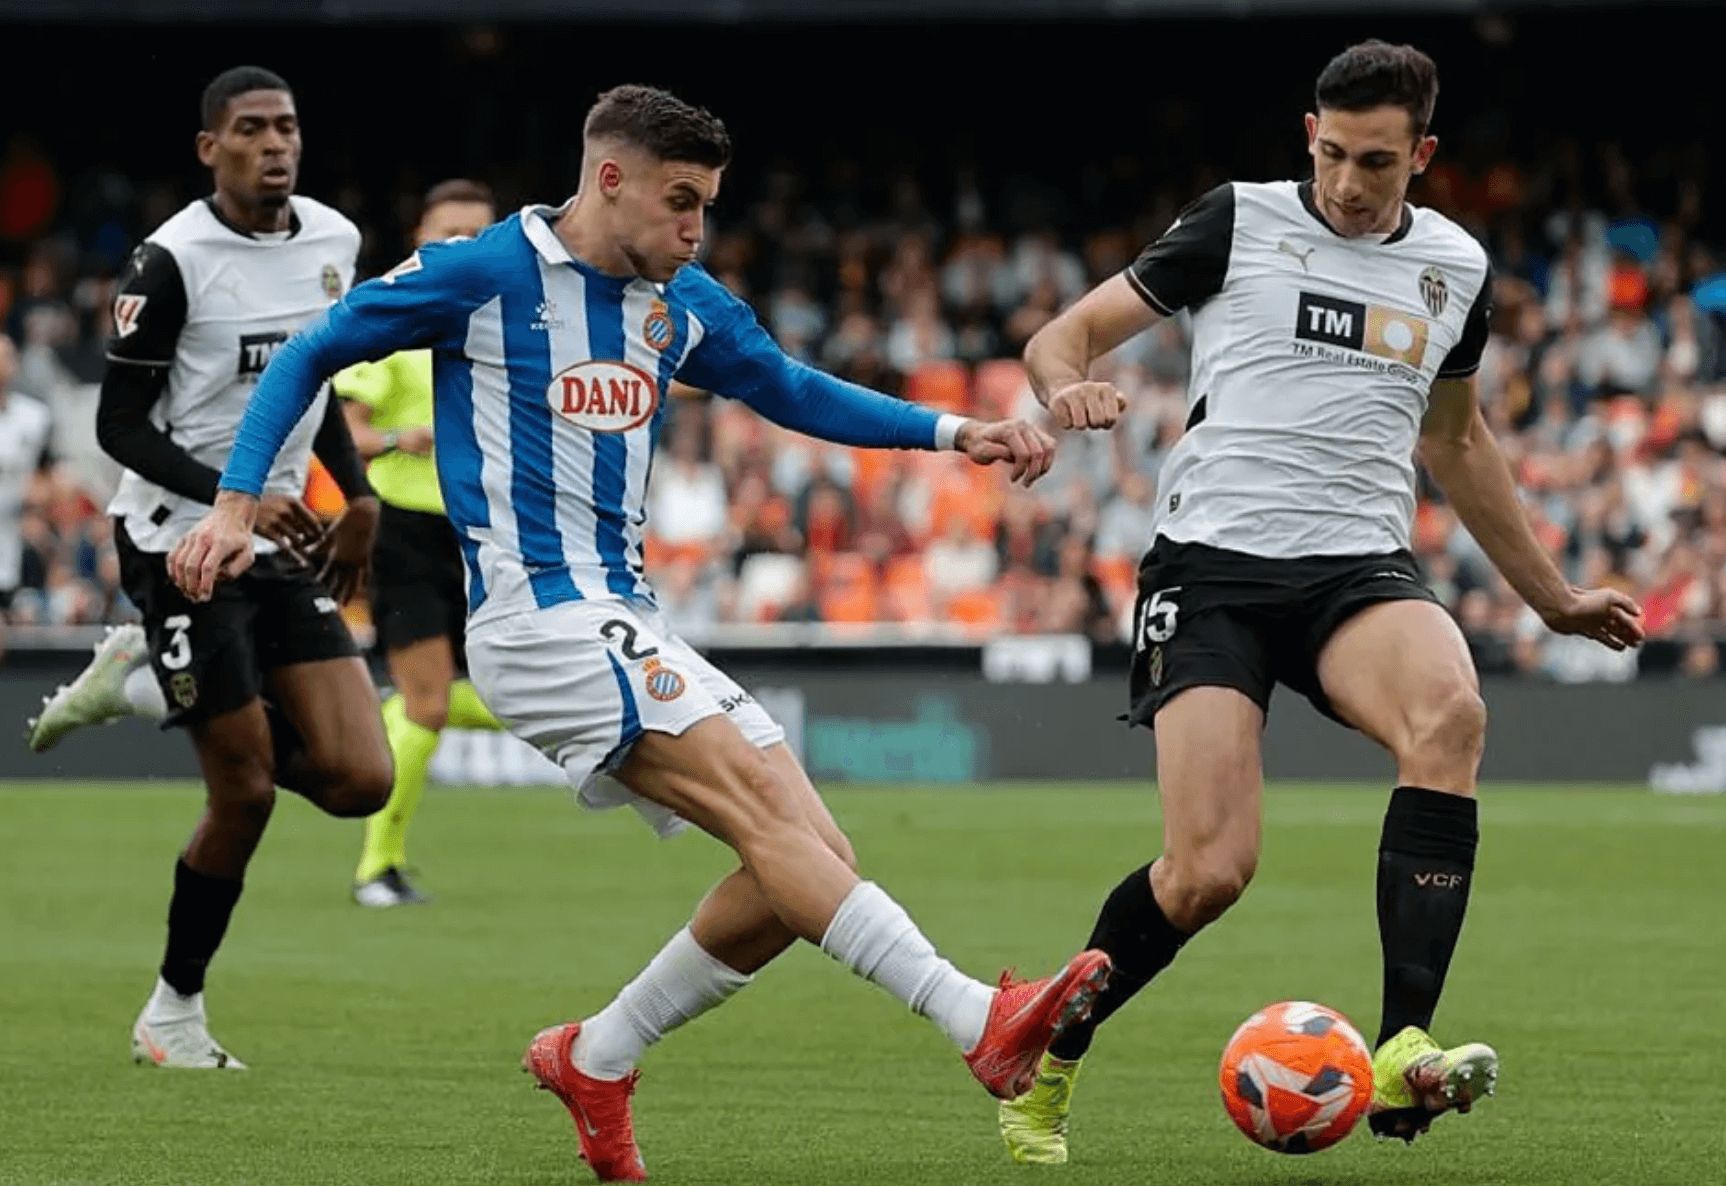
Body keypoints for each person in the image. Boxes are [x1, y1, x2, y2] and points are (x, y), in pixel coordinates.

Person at [169, 84, 1110, 1180]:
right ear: (607, 179)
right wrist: (235, 506)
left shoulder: (681, 301)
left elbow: (789, 388)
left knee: (805, 863)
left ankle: (597, 1053)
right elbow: (308, 353)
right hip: (540, 621)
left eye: (705, 206)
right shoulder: (482, 271)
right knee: (777, 830)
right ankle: (973, 1021)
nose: (694, 229)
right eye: (679, 203)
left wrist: (960, 431)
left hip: (624, 617)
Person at [995, 40, 1646, 1164]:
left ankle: (1401, 1046)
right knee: (1207, 872)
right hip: (1210, 571)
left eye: (1378, 162)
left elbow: (1456, 438)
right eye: (1334, 153)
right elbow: (1062, 335)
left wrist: (1552, 597)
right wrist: (1065, 388)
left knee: (1452, 714)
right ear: (1309, 134)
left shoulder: (1454, 267)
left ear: (1423, 156)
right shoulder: (1234, 221)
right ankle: (1044, 1062)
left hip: (1354, 569)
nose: (1349, 182)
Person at [27, 66, 393, 1069]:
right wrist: (236, 491)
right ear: (210, 148)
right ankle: (172, 1015)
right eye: (251, 129)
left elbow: (314, 380)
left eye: (287, 126)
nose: (275, 144)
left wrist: (354, 495)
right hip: (174, 539)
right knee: (246, 792)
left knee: (361, 778)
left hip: (276, 538)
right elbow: (117, 426)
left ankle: (151, 687)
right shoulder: (170, 263)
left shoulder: (332, 242)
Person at [333, 178, 505, 908]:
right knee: (432, 704)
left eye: (479, 233)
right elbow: (343, 429)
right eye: (450, 233)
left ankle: (384, 718)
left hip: (485, 530)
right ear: (421, 240)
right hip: (406, 530)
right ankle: (377, 869)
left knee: (503, 692)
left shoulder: (509, 323)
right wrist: (403, 437)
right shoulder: (394, 320)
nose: (465, 246)